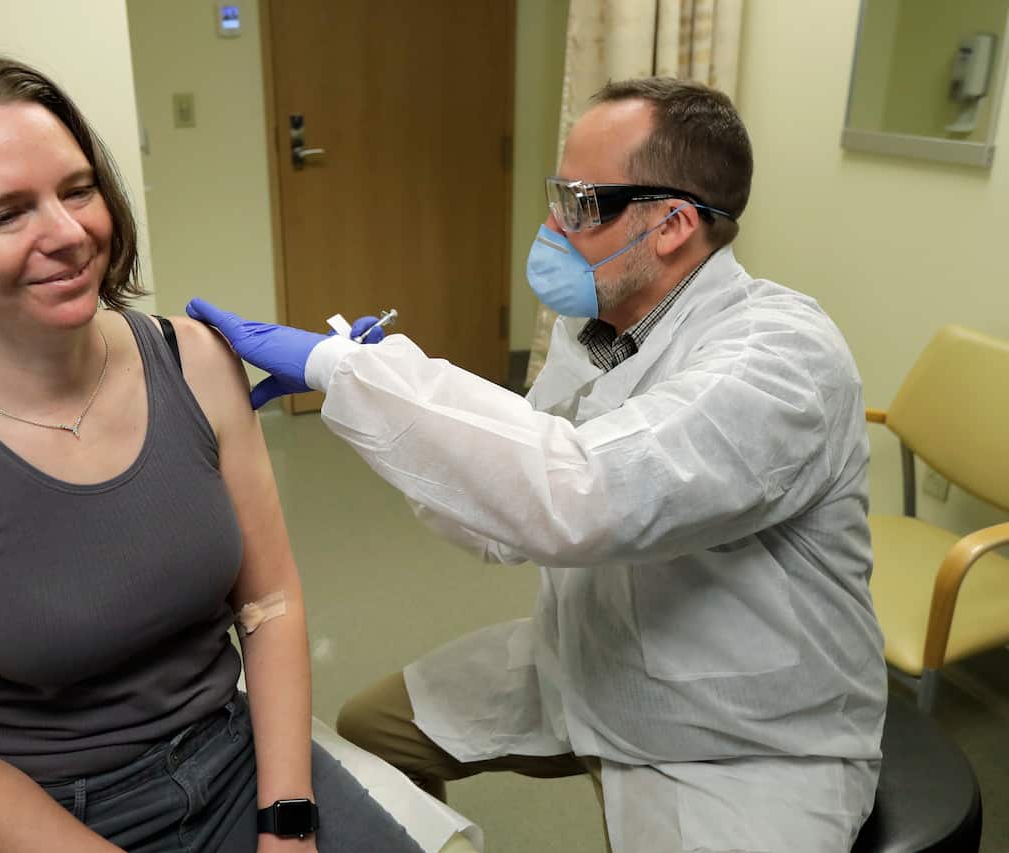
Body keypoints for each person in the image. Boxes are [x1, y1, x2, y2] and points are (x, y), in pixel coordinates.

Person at [187, 77, 887, 852]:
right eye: (559, 194)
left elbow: (582, 493)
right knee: (372, 730)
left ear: (673, 224)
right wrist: (379, 392)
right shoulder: (602, 329)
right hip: (590, 656)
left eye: (581, 203)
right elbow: (511, 515)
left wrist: (343, 372)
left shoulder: (781, 359)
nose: (552, 225)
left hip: (738, 735)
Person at [0, 53, 422, 853]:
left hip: (236, 762)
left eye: (77, 189)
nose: (70, 233)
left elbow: (272, 603)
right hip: (55, 817)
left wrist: (287, 822)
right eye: (6, 213)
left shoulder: (196, 361)